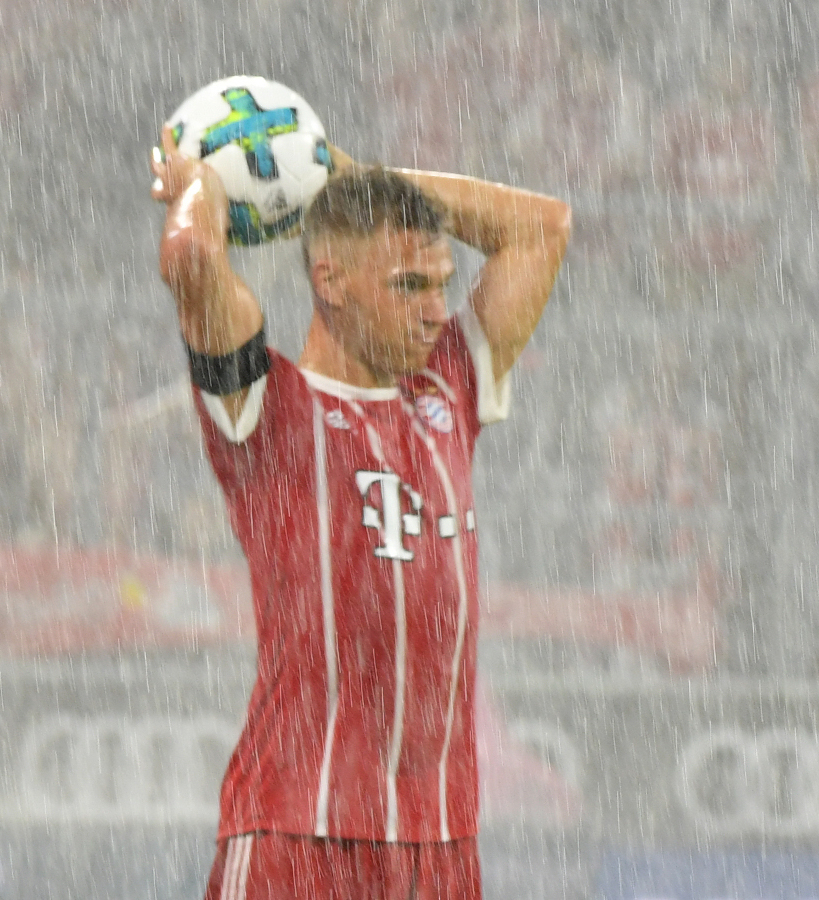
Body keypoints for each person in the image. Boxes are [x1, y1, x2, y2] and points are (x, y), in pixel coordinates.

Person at [149, 131, 570, 899]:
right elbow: (192, 262)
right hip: (297, 835)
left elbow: (544, 228)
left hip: (440, 848)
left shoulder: (449, 385)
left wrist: (355, 180)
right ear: (330, 279)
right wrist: (203, 186)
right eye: (410, 285)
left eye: (442, 285)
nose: (435, 310)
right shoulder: (268, 409)